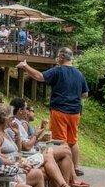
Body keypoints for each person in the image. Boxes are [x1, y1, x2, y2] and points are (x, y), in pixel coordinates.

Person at [17, 47, 89, 176]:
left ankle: (65, 172)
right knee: (73, 141)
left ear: (62, 57)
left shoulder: (58, 71)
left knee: (60, 141)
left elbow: (40, 76)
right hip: (75, 112)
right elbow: (85, 94)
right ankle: (75, 167)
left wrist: (25, 66)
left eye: (57, 56)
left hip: (60, 111)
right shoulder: (79, 74)